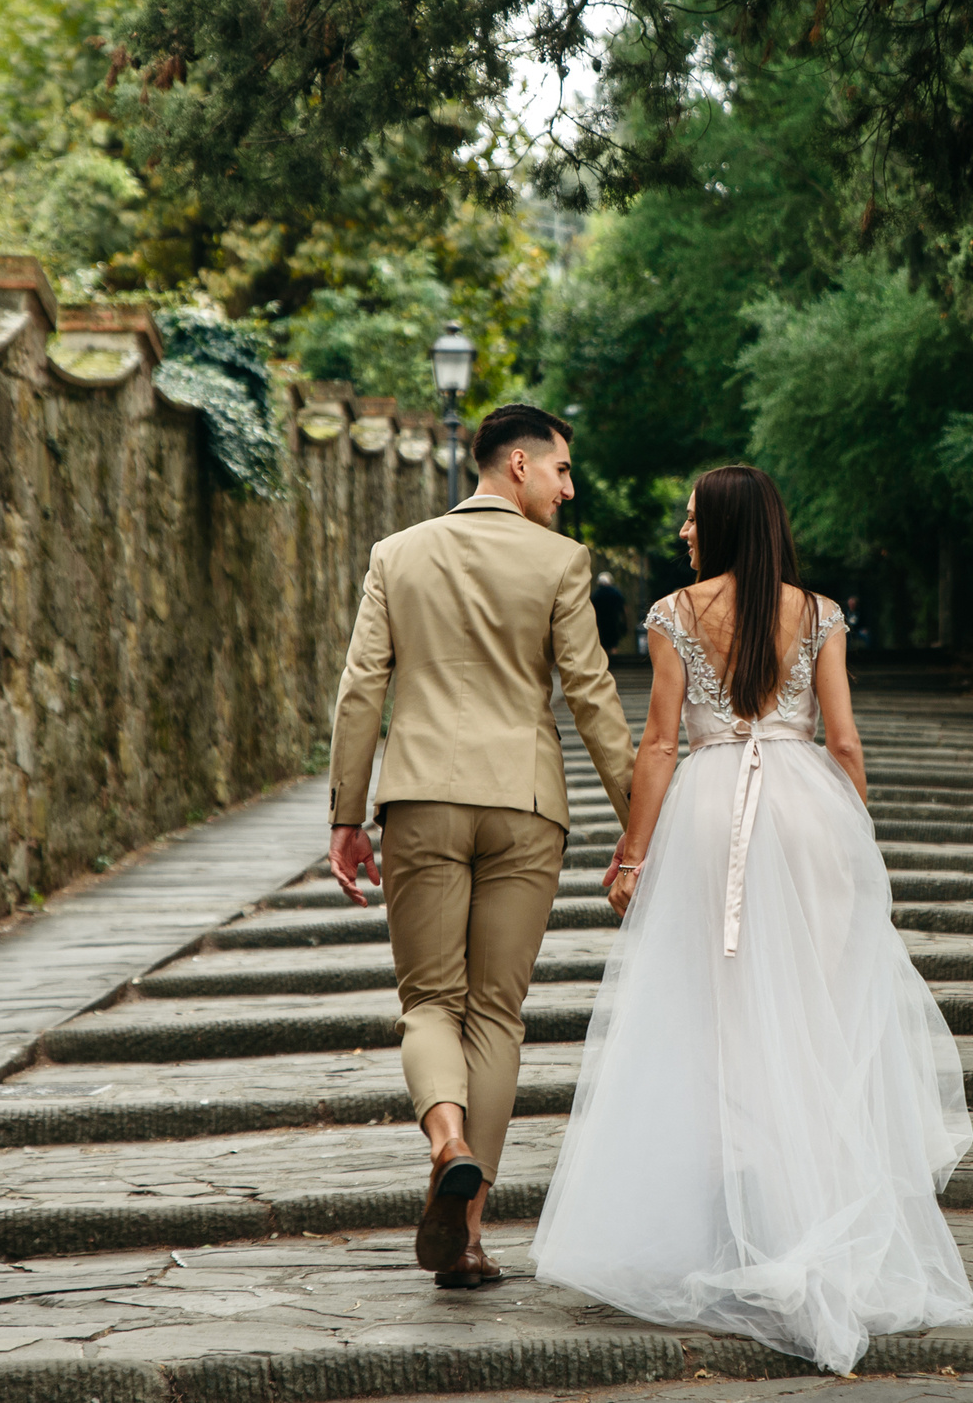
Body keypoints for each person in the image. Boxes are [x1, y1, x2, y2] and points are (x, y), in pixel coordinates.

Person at [528, 464, 973, 1372]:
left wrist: (632, 852)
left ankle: (743, 1225)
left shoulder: (673, 613)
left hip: (709, 815)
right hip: (810, 812)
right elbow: (843, 739)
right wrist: (856, 843)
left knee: (719, 1013)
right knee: (813, 1011)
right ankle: (807, 1214)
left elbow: (660, 742)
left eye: (694, 518)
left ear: (727, 525)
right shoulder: (821, 614)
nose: (684, 531)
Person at [324, 402, 636, 1288]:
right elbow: (592, 695)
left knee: (430, 1001)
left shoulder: (396, 554)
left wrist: (347, 813)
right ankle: (465, 1235)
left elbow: (361, 688)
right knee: (496, 1011)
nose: (569, 490)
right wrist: (639, 818)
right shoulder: (560, 562)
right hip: (525, 804)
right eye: (562, 470)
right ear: (518, 465)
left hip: (421, 795)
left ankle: (446, 1138)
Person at [590, 571, 629, 657]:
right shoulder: (615, 593)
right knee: (613, 644)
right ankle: (614, 660)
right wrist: (625, 622)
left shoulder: (596, 595)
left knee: (602, 644)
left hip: (600, 623)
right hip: (613, 622)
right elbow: (624, 608)